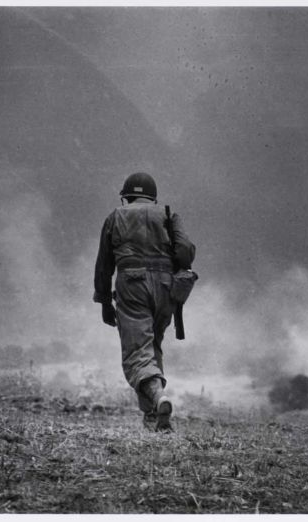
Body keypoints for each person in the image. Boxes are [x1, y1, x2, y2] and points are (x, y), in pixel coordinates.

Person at [93, 172, 195, 432]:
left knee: (137, 353)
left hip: (133, 285)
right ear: (153, 197)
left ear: (126, 197)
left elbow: (104, 266)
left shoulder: (115, 216)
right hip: (165, 288)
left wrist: (105, 302)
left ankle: (159, 398)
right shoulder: (169, 215)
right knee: (152, 347)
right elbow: (185, 253)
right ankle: (154, 420)